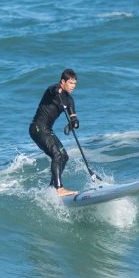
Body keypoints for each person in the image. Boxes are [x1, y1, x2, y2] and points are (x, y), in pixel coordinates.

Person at [29, 69, 80, 197]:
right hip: (37, 128)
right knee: (57, 155)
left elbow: (74, 118)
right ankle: (59, 188)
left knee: (64, 156)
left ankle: (52, 187)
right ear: (63, 82)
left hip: (47, 130)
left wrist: (73, 123)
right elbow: (52, 89)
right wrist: (57, 90)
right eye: (70, 83)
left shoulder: (69, 101)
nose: (73, 86)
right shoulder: (53, 90)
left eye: (75, 83)